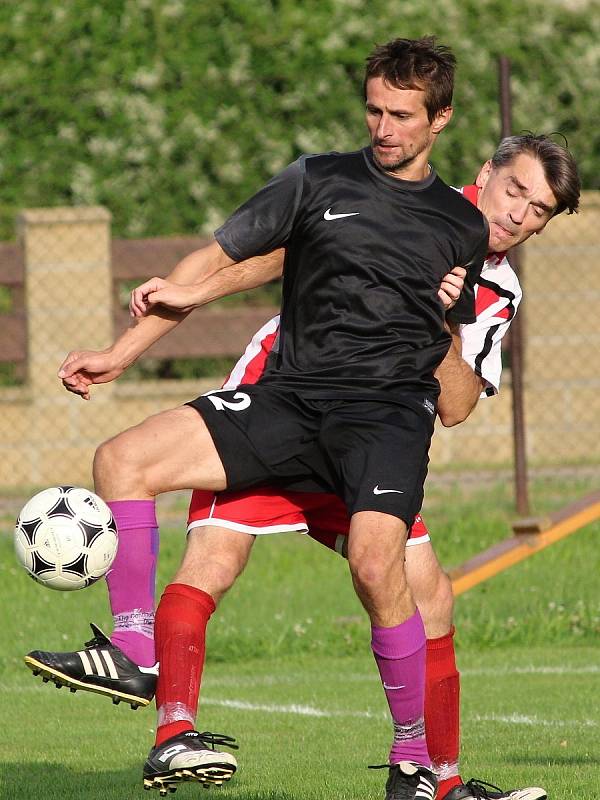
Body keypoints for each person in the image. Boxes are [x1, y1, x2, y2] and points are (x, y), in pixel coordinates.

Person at [24, 36, 513, 800]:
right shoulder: (316, 178)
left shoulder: (461, 227)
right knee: (121, 460)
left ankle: (414, 762)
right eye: (374, 111)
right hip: (289, 397)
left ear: (441, 118)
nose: (383, 129)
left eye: (402, 116)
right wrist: (123, 352)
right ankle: (135, 653)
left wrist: (447, 318)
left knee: (378, 566)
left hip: (385, 416)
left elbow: (455, 401)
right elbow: (218, 262)